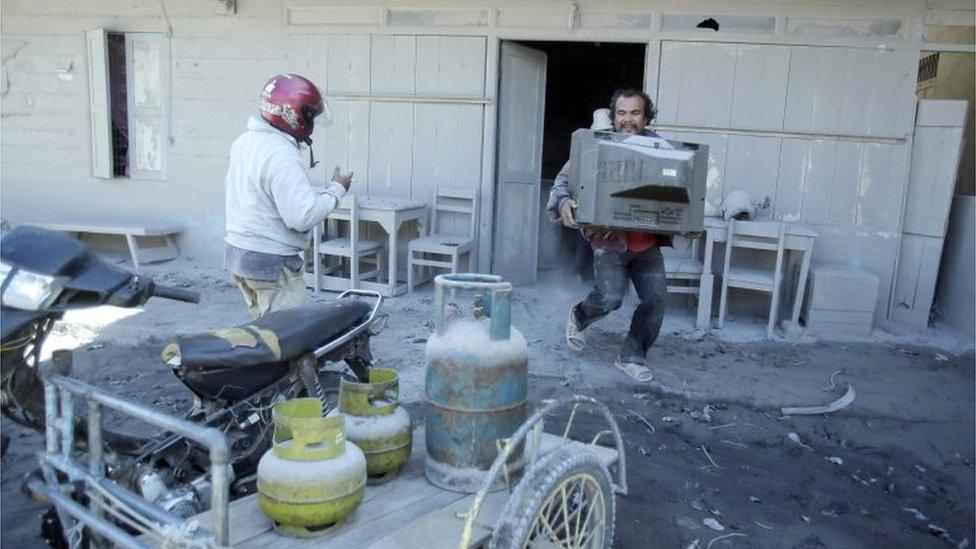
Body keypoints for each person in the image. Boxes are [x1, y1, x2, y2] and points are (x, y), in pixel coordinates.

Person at [545, 89, 670, 382]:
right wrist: (563, 202)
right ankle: (579, 316)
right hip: (610, 240)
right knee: (610, 298)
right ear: (613, 116)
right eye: (622, 113)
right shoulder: (594, 144)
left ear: (646, 116)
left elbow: (681, 184)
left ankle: (631, 355)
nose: (628, 120)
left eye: (635, 113)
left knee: (656, 301)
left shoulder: (661, 148)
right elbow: (563, 181)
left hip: (646, 243)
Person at [224, 73, 353, 318]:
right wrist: (337, 190)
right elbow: (302, 217)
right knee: (291, 338)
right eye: (310, 116)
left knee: (264, 334)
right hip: (270, 261)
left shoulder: (244, 142)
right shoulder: (281, 154)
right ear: (294, 115)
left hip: (238, 255)